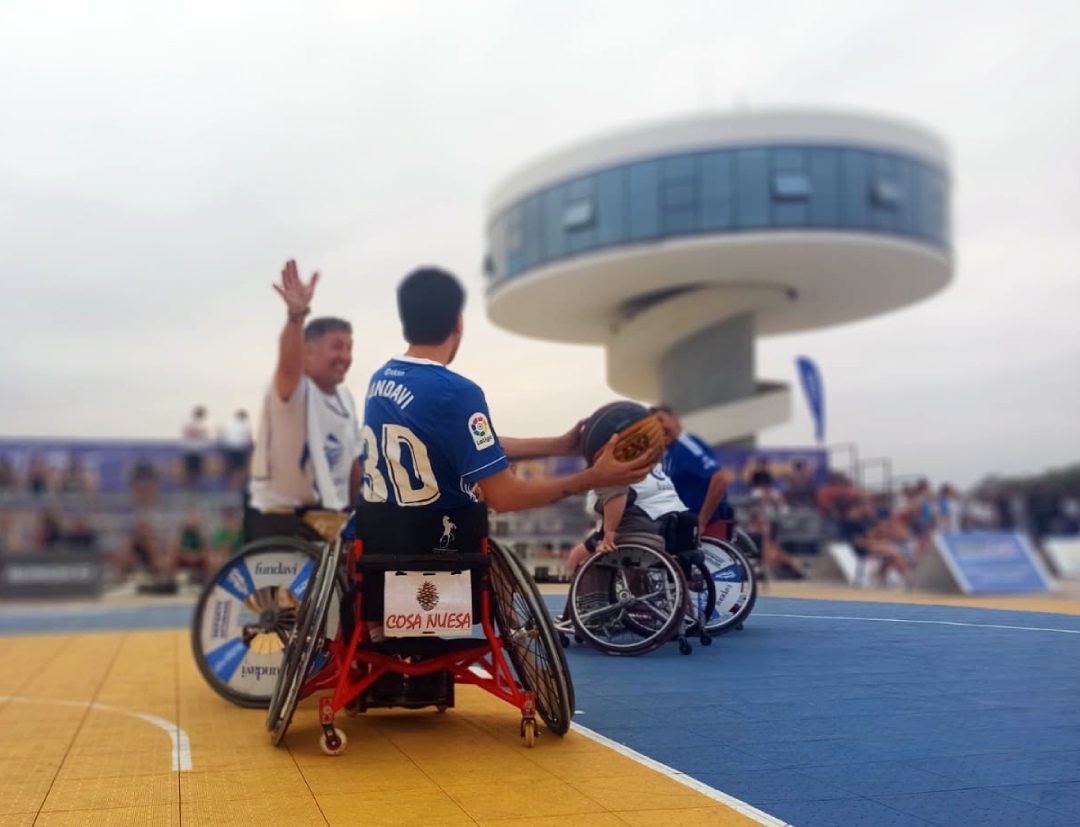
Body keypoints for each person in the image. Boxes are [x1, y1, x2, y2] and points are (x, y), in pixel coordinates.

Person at [361, 266, 654, 512]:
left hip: (379, 546)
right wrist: (593, 478)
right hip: (441, 554)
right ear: (458, 322)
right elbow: (507, 497)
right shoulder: (457, 393)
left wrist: (558, 446)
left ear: (406, 320)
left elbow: (468, 441)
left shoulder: (381, 379)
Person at [245, 260, 363, 542]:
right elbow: (288, 365)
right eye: (337, 347)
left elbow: (352, 463)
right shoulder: (294, 391)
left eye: (349, 348)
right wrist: (296, 316)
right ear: (307, 353)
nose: (345, 357)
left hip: (328, 518)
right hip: (281, 521)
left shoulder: (345, 398)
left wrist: (361, 511)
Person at [650, 405, 733, 541]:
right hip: (682, 524)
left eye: (661, 420)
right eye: (653, 426)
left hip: (703, 528)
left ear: (675, 420)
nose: (659, 428)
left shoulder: (686, 445)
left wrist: (701, 521)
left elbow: (719, 478)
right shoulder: (669, 453)